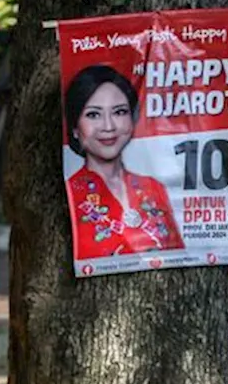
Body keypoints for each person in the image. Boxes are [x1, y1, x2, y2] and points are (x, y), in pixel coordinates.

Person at [64, 65, 182, 260]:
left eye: (119, 112)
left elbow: (178, 254)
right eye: (93, 114)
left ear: (132, 119)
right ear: (75, 128)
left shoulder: (153, 188)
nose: (109, 126)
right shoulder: (68, 195)